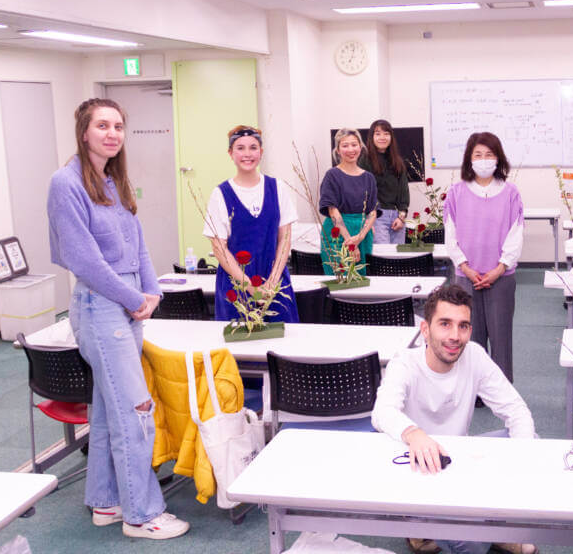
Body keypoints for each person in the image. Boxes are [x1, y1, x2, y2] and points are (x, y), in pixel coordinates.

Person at [47, 98, 189, 540]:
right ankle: (141, 514)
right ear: (84, 132)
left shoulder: (112, 181)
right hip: (100, 304)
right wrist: (132, 297)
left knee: (109, 412)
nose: (112, 133)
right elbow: (83, 260)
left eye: (119, 126)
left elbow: (139, 243)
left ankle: (106, 502)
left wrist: (153, 293)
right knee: (136, 411)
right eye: (103, 125)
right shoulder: (64, 183)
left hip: (127, 302)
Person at [372, 285, 536, 554]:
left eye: (463, 326)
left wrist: (522, 459)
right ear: (425, 330)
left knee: (530, 440)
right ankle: (425, 528)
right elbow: (382, 412)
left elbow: (516, 410)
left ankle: (487, 526)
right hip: (415, 469)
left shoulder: (475, 355)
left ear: (470, 331)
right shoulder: (405, 362)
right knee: (470, 543)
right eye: (445, 324)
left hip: (455, 462)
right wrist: (415, 434)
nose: (454, 336)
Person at [444, 132, 523, 383]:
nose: (484, 159)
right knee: (468, 337)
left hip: (501, 277)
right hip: (466, 277)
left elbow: (516, 234)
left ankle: (501, 391)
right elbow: (451, 234)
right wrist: (466, 268)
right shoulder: (456, 192)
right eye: (478, 154)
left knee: (501, 338)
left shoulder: (511, 193)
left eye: (489, 154)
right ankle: (472, 391)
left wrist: (499, 269)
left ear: (498, 159)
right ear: (469, 159)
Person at [204, 126, 299, 323]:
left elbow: (285, 239)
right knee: (239, 349)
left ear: (261, 152)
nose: (247, 154)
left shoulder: (277, 188)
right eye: (240, 148)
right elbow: (219, 248)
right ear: (230, 153)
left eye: (253, 147)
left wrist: (272, 282)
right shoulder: (220, 194)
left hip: (274, 279)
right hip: (236, 284)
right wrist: (249, 286)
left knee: (282, 345)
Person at [319, 128, 378, 275]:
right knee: (340, 280)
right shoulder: (332, 175)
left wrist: (361, 236)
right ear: (338, 150)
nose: (350, 149)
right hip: (338, 234)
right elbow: (333, 211)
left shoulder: (369, 177)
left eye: (354, 144)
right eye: (345, 145)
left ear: (360, 147)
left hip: (362, 235)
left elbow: (373, 211)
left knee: (362, 280)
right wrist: (350, 242)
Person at [359, 119, 410, 244]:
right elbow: (363, 193)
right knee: (383, 258)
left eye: (386, 133)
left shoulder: (397, 162)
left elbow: (404, 192)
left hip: (396, 218)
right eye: (377, 133)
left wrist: (401, 217)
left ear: (391, 137)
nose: (382, 137)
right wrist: (368, 220)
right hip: (376, 217)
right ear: (371, 137)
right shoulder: (364, 161)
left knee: (398, 260)